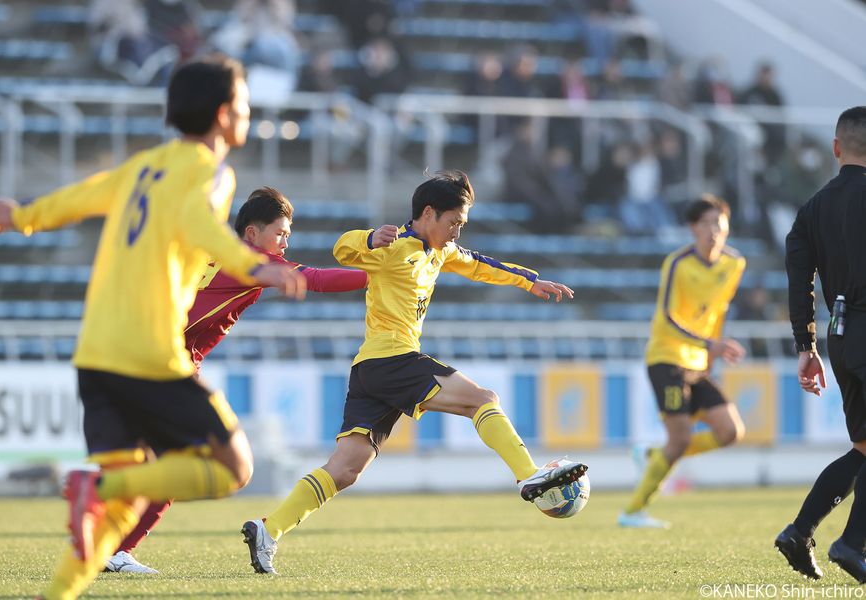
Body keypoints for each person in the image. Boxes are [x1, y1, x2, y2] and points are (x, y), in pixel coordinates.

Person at [0, 55, 307, 600]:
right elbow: (201, 223)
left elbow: (86, 196)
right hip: (150, 351)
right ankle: (100, 485)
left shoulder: (146, 164)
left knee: (111, 522)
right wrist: (252, 265)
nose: (248, 112)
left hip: (96, 350)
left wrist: (25, 216)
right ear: (225, 115)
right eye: (244, 103)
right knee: (233, 467)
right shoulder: (211, 171)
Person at [239, 170, 587, 575]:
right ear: (428, 213)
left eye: (462, 224)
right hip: (393, 359)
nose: (458, 231)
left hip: (370, 369)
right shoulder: (395, 246)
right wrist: (370, 238)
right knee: (483, 400)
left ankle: (269, 530)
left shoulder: (440, 251)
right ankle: (528, 476)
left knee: (346, 468)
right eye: (454, 222)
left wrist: (531, 282)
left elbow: (481, 266)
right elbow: (342, 248)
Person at [104, 186, 368, 574]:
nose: (285, 242)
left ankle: (111, 540)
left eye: (287, 235)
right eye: (280, 233)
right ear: (252, 234)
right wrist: (380, 276)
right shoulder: (251, 259)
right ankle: (115, 545)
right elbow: (315, 279)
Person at [775, 106, 866, 584]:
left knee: (864, 447)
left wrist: (804, 346)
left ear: (836, 148)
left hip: (839, 334)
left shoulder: (812, 208)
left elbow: (799, 280)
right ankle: (853, 544)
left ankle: (799, 532)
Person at [618, 194, 747, 529]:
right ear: (692, 228)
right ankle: (632, 511)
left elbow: (718, 312)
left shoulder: (734, 264)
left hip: (696, 360)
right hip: (667, 358)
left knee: (730, 431)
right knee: (681, 439)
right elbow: (667, 317)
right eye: (705, 224)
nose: (713, 231)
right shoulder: (678, 262)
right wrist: (709, 344)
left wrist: (709, 355)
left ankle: (651, 456)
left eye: (718, 224)